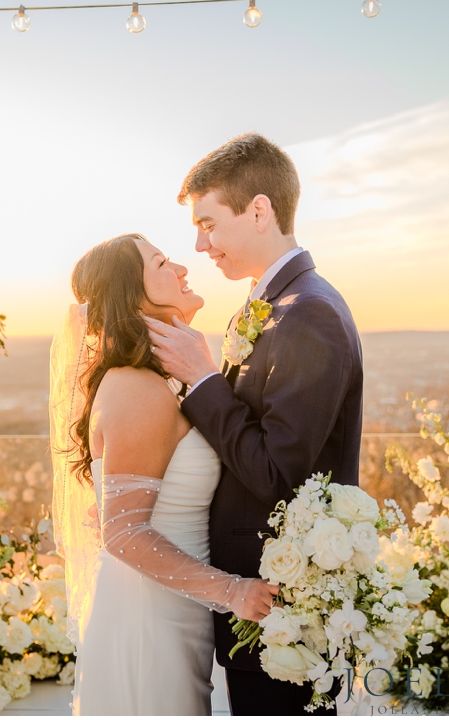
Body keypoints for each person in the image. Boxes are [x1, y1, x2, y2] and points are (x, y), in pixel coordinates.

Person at [146, 133, 364, 716]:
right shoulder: (271, 306)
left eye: (210, 223)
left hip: (283, 603)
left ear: (260, 210)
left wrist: (201, 380)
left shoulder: (308, 314)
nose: (200, 243)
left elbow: (275, 472)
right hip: (261, 598)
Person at [49, 233, 278, 716]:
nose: (181, 268)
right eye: (161, 263)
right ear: (133, 296)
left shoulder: (161, 382)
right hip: (148, 619)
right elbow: (123, 532)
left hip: (174, 606)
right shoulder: (137, 387)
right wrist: (233, 591)